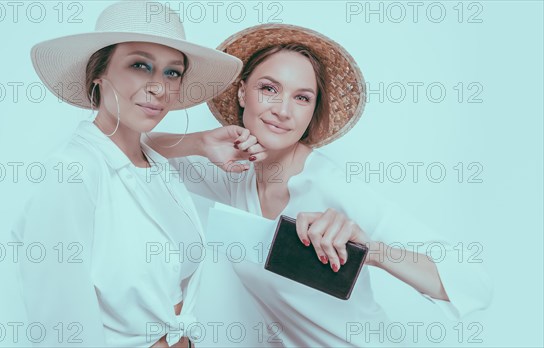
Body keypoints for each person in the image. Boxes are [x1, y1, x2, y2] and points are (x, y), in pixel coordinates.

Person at [148, 24, 492, 347]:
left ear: (312, 111)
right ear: (242, 93)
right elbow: (137, 146)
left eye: (302, 98)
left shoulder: (331, 187)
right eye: (269, 89)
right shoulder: (235, 176)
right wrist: (200, 142)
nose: (283, 110)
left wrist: (369, 250)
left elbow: (474, 285)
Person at [11, 1, 242, 347]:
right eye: (139, 65)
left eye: (172, 72)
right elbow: (60, 329)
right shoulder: (71, 174)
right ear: (98, 74)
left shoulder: (159, 168)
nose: (159, 88)